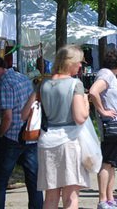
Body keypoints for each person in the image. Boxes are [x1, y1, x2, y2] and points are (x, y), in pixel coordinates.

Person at [28, 45, 90, 209]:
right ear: (71, 63)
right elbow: (80, 116)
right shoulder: (75, 84)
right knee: (70, 196)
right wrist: (86, 103)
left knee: (50, 196)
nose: (80, 66)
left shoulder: (43, 84)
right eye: (79, 62)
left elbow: (24, 112)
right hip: (68, 140)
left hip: (46, 140)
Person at [0, 54, 43, 209]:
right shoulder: (21, 77)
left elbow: (7, 117)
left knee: (0, 181)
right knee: (33, 180)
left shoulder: (5, 85)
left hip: (12, 137)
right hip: (30, 134)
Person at [88, 49, 117, 209]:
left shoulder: (109, 75)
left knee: (112, 163)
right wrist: (102, 110)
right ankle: (102, 200)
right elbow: (93, 91)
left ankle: (109, 198)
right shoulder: (106, 75)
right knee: (107, 163)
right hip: (112, 126)